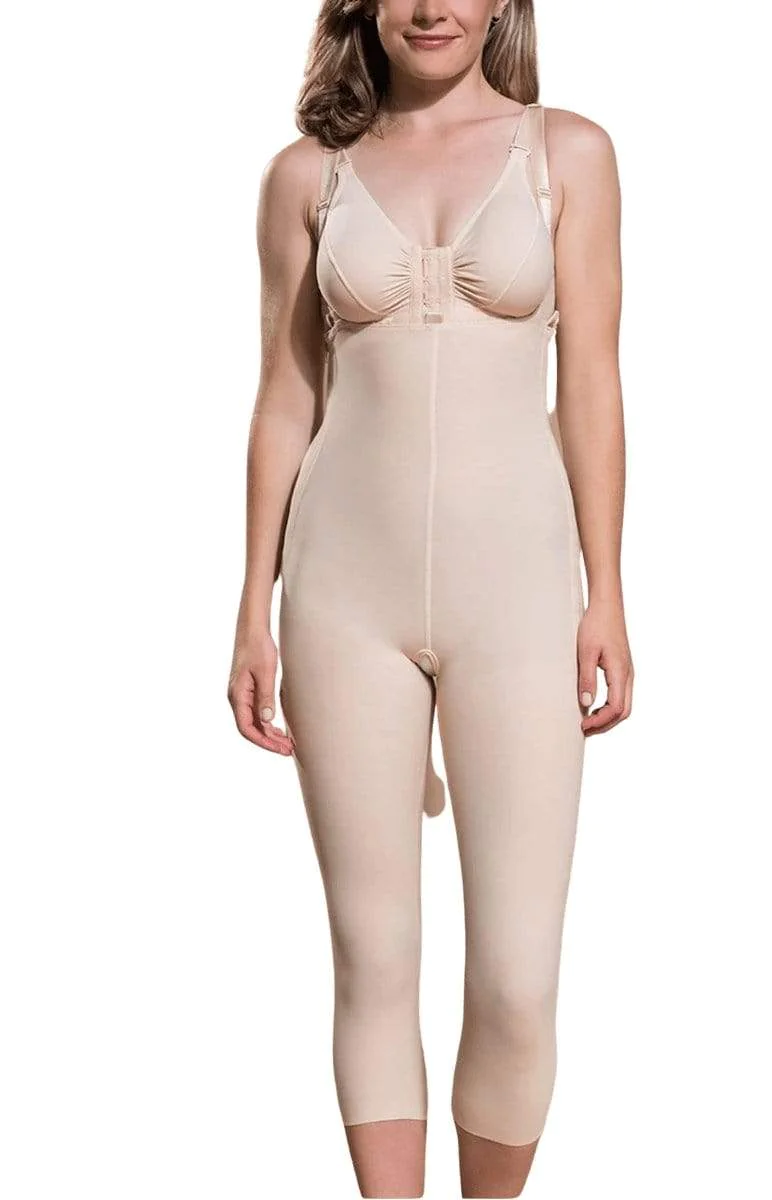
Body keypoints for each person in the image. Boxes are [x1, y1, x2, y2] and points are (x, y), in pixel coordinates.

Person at [228, 2, 632, 1195]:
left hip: (518, 597)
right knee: (373, 958)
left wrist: (606, 591)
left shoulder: (569, 154)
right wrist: (252, 601)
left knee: (515, 978)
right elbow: (283, 400)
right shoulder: (304, 176)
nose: (431, 7)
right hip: (340, 598)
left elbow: (593, 383)